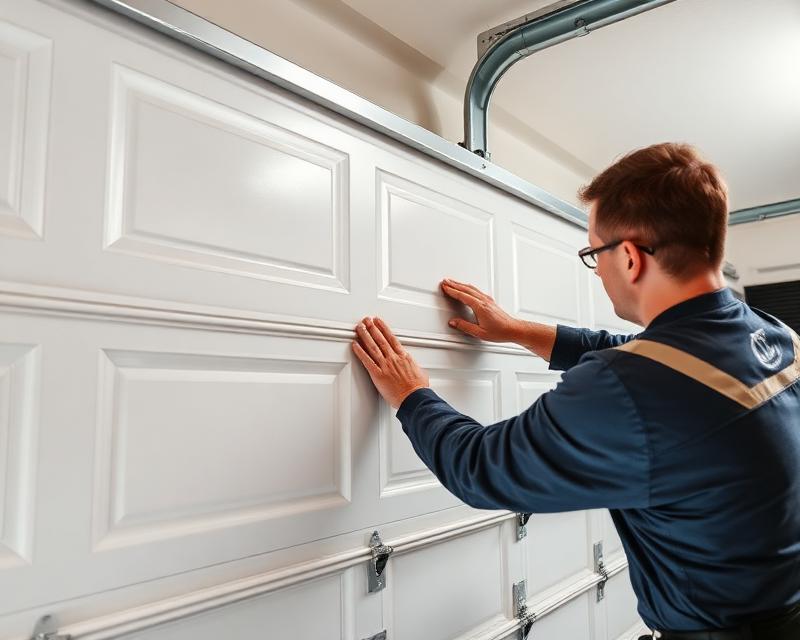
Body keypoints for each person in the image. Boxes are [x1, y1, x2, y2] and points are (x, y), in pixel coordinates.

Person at [350, 142, 800, 640]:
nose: (598, 269)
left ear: (629, 257)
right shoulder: (774, 335)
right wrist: (519, 331)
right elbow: (642, 352)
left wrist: (412, 395)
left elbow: (478, 469)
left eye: (594, 253)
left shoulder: (629, 385)